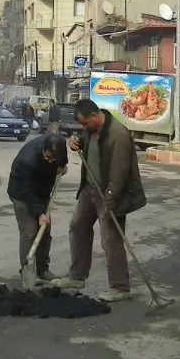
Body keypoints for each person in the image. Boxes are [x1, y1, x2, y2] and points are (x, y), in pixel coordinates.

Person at [51, 98, 146, 302]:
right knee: (77, 227)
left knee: (111, 240)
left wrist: (110, 201)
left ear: (94, 116)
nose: (83, 128)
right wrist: (76, 142)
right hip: (90, 188)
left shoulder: (118, 135)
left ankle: (120, 287)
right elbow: (88, 144)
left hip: (111, 193)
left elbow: (120, 173)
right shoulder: (92, 130)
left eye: (84, 124)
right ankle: (77, 276)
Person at [7, 133, 68, 284]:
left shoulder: (59, 146)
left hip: (43, 193)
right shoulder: (26, 161)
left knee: (45, 232)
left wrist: (62, 165)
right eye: (48, 158)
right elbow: (27, 192)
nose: (50, 161)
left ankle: (42, 269)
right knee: (30, 232)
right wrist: (40, 213)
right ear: (43, 149)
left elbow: (62, 160)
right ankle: (27, 271)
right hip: (22, 194)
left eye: (53, 160)